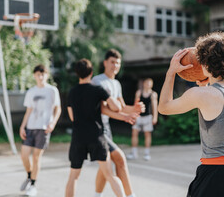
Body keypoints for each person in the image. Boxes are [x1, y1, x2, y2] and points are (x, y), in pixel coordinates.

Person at [158, 32, 224, 197]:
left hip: (218, 173)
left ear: (207, 62)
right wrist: (206, 86)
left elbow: (164, 107)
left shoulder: (203, 95)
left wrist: (171, 72)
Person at [65, 58, 138, 197]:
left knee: (73, 177)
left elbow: (72, 117)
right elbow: (116, 107)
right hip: (96, 136)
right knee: (109, 175)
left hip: (78, 137)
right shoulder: (98, 89)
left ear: (77, 74)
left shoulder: (72, 92)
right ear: (91, 72)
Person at [92, 49, 144, 197]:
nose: (115, 65)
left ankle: (96, 195)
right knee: (120, 159)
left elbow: (122, 106)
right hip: (97, 127)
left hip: (106, 128)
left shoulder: (116, 84)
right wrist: (123, 117)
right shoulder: (97, 81)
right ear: (105, 63)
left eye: (117, 63)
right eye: (112, 62)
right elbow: (101, 109)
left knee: (105, 163)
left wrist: (135, 108)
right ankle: (130, 195)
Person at [19, 64, 61, 196]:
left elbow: (57, 109)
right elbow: (28, 111)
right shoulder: (31, 92)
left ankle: (33, 185)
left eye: (43, 74)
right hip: (31, 127)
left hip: (44, 129)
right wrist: (22, 126)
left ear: (47, 75)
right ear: (34, 76)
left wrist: (53, 123)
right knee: (24, 155)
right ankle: (29, 176)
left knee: (37, 157)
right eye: (38, 74)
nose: (40, 77)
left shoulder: (52, 90)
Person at [127, 78, 158, 161]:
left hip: (148, 117)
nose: (148, 84)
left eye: (149, 83)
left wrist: (155, 117)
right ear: (144, 83)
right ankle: (134, 152)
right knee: (134, 134)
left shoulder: (153, 94)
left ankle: (147, 153)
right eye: (146, 83)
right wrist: (133, 115)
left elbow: (154, 106)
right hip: (138, 116)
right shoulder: (139, 93)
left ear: (151, 84)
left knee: (147, 135)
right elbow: (135, 105)